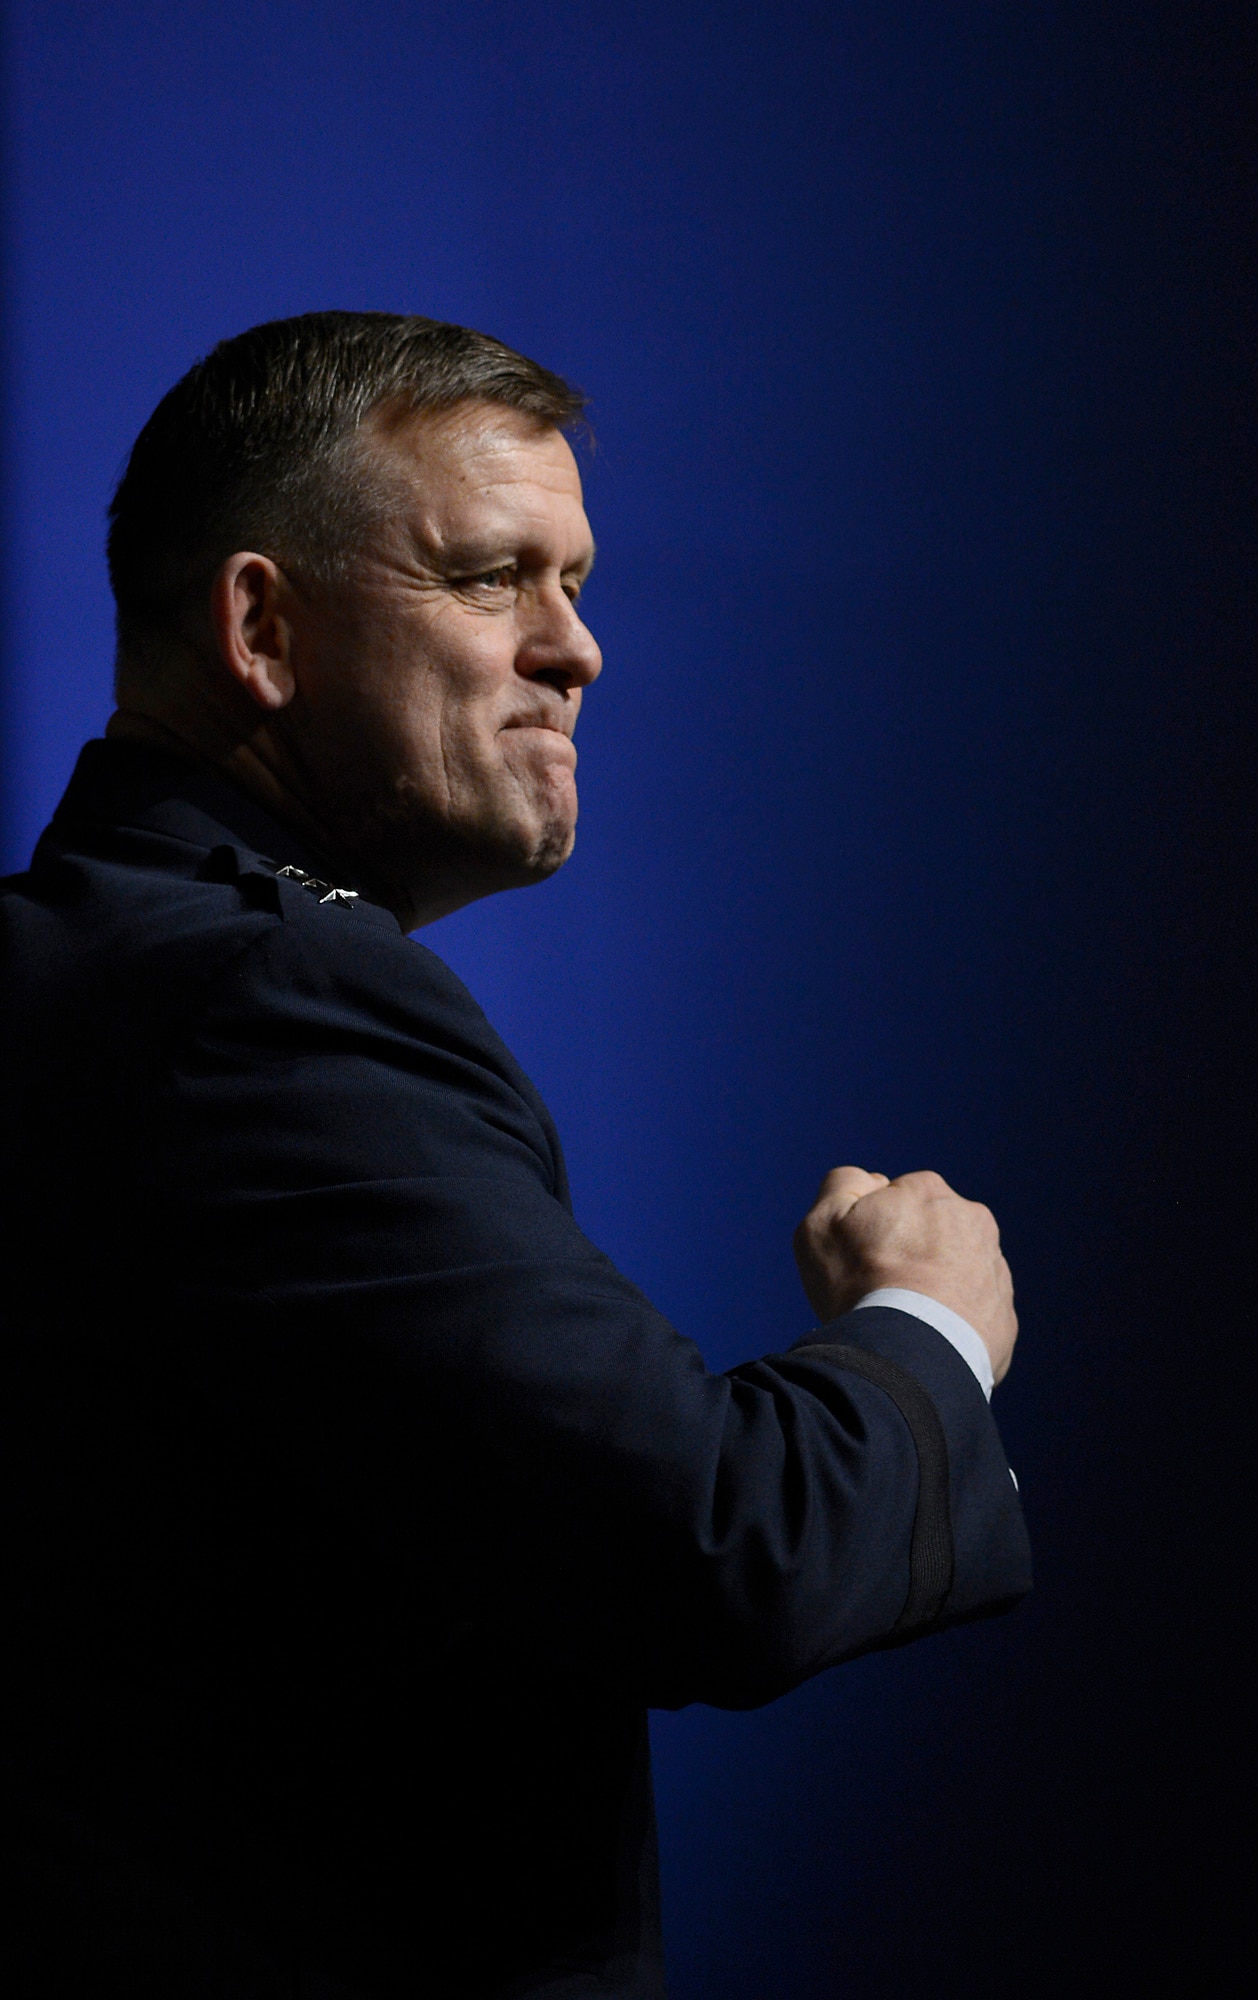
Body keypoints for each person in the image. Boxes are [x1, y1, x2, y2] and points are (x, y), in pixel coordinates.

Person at [2, 312, 1031, 1998]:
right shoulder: (264, 1002)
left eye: (579, 580)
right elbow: (715, 1550)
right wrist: (924, 1327)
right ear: (261, 626)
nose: (580, 651)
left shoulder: (90, 974)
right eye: (491, 578)